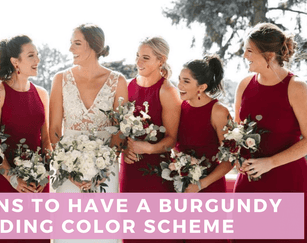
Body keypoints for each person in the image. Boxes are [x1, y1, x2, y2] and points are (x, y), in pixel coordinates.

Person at [49, 23, 128, 243]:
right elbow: (54, 131)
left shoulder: (117, 81)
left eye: (76, 43)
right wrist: (68, 169)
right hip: (67, 171)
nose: (70, 48)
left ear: (93, 46)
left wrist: (102, 169)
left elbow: (120, 132)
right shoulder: (60, 79)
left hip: (105, 172)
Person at [233, 23, 307, 243]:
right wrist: (236, 154)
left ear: (270, 55)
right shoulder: (244, 84)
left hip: (286, 181)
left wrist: (270, 163)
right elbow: (236, 130)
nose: (244, 55)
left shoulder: (296, 87)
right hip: (250, 179)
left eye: (249, 51)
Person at [120, 36, 182, 243]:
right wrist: (123, 148)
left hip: (156, 172)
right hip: (129, 171)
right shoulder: (127, 87)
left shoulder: (167, 91)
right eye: (138, 56)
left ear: (160, 60)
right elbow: (118, 131)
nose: (138, 62)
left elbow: (172, 139)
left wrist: (147, 148)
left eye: (145, 58)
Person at [176, 55, 232, 243]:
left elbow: (230, 159)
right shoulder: (180, 107)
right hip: (182, 188)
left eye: (186, 81)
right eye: (179, 80)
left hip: (209, 189)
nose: (179, 85)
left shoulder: (219, 111)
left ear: (202, 87)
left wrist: (201, 185)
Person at [0, 35, 51, 195]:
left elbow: (46, 140)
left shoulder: (42, 94)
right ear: (15, 62)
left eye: (37, 54)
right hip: (8, 182)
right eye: (31, 56)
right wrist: (13, 179)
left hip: (38, 183)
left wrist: (44, 174)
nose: (37, 60)